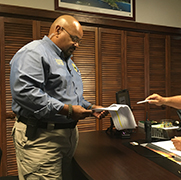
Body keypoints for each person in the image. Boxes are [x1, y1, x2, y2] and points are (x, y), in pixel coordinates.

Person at [10, 15, 108, 180]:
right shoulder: (34, 52)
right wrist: (68, 110)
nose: (77, 45)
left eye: (79, 41)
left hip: (67, 139)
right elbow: (25, 92)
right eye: (74, 38)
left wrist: (90, 107)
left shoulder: (68, 61)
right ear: (58, 30)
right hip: (41, 140)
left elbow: (69, 97)